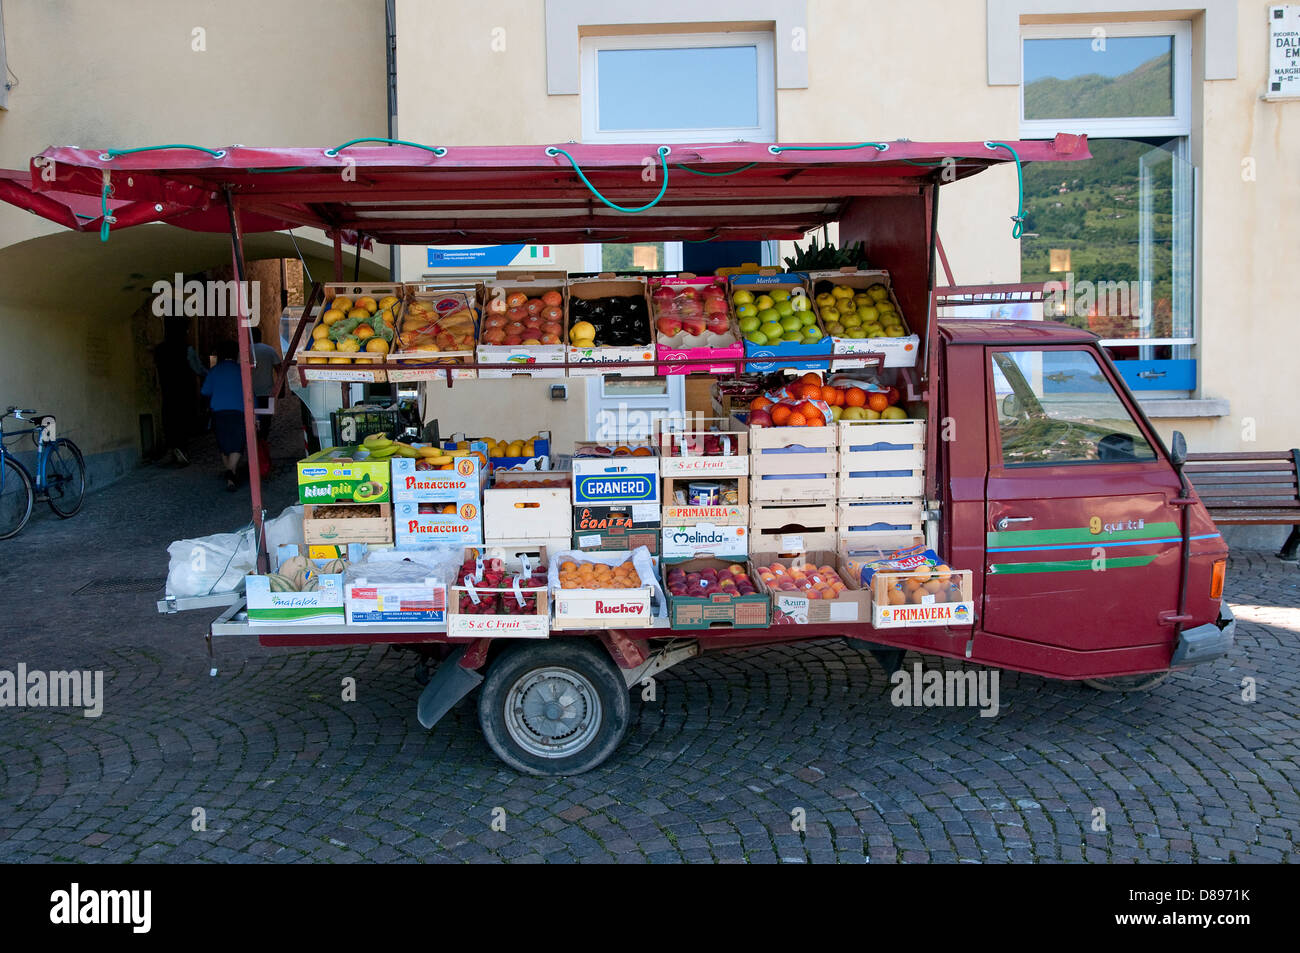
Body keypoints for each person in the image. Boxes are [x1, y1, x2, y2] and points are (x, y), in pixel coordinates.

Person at [200, 340, 246, 491]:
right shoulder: (242, 370)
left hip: (218, 411)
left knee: (224, 445)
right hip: (237, 411)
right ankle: (231, 474)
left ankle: (230, 475)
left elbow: (205, 391)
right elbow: (250, 393)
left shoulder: (214, 371)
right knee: (237, 444)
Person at [153, 319, 195, 466]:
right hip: (183, 390)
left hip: (167, 391)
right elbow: (196, 367)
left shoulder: (159, 350)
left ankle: (172, 448)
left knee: (169, 420)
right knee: (183, 419)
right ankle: (181, 449)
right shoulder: (186, 349)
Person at [250, 326, 279, 442]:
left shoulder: (243, 352)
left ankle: (256, 442)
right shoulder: (269, 350)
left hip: (250, 392)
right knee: (266, 420)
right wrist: (280, 388)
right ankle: (263, 440)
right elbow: (279, 369)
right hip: (267, 391)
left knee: (251, 418)